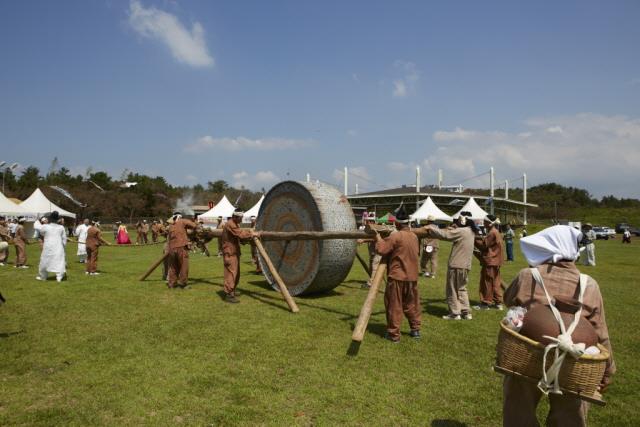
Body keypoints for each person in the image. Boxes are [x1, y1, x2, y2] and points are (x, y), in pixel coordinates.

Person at [502, 225, 615, 427]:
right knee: (570, 415)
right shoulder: (589, 284)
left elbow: (508, 300)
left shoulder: (527, 276)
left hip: (530, 355)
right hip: (574, 361)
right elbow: (600, 332)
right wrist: (607, 370)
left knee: (519, 409)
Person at [374, 207, 421, 342]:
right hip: (412, 277)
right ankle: (415, 330)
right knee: (412, 304)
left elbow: (381, 249)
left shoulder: (396, 235)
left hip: (397, 276)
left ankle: (394, 334)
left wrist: (377, 237)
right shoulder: (414, 236)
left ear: (397, 224)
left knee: (394, 305)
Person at [423, 211, 476, 320]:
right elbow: (455, 232)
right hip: (466, 265)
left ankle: (455, 313)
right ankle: (466, 312)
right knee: (462, 288)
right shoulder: (471, 231)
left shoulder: (461, 231)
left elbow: (445, 235)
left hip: (456, 264)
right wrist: (454, 228)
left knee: (452, 289)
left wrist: (430, 228)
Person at [221, 210, 255, 303]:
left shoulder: (234, 224)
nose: (242, 219)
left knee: (236, 274)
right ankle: (228, 294)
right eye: (241, 218)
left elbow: (239, 236)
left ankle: (231, 292)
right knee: (231, 274)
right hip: (230, 253)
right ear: (235, 217)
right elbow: (241, 234)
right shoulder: (231, 224)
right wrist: (253, 234)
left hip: (234, 252)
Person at [474, 215, 504, 310]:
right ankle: (498, 303)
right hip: (496, 261)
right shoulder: (496, 232)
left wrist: (473, 239)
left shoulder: (492, 232)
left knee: (487, 282)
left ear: (489, 223)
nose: (484, 223)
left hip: (490, 261)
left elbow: (483, 245)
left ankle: (485, 303)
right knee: (495, 282)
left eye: (485, 221)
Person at [166, 212, 197, 289]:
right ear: (180, 217)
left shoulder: (171, 226)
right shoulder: (182, 221)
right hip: (181, 247)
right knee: (184, 265)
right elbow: (194, 225)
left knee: (173, 266)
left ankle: (172, 284)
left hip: (171, 248)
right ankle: (183, 283)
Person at [34, 211, 67, 282]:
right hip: (58, 247)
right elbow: (64, 238)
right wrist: (63, 246)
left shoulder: (45, 226)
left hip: (48, 246)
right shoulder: (61, 227)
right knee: (58, 261)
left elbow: (42, 233)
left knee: (45, 260)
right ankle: (59, 277)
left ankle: (43, 276)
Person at [357, 212, 381, 289]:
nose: (367, 222)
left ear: (372, 221)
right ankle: (374, 281)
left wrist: (363, 240)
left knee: (374, 267)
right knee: (371, 268)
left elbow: (375, 238)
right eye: (367, 221)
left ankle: (371, 284)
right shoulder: (370, 228)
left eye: (369, 221)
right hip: (373, 251)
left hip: (378, 251)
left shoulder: (376, 228)